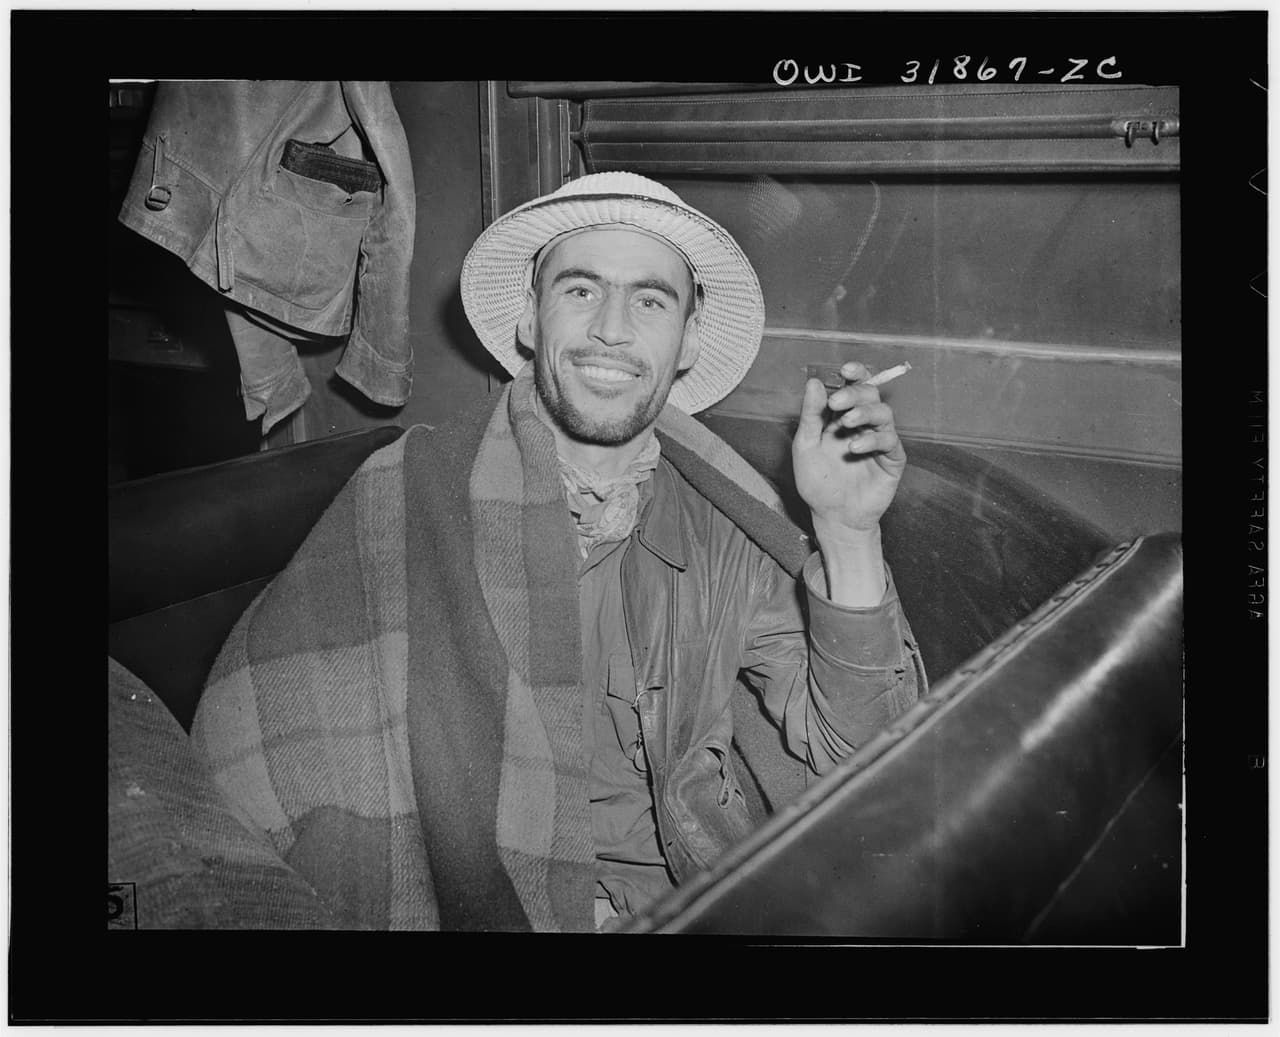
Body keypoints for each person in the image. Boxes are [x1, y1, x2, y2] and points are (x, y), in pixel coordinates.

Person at [191, 172, 926, 932]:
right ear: (531, 322)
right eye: (580, 291)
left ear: (689, 341)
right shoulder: (408, 489)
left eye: (650, 300)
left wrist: (846, 532)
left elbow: (866, 767)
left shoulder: (728, 526)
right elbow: (273, 755)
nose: (611, 327)